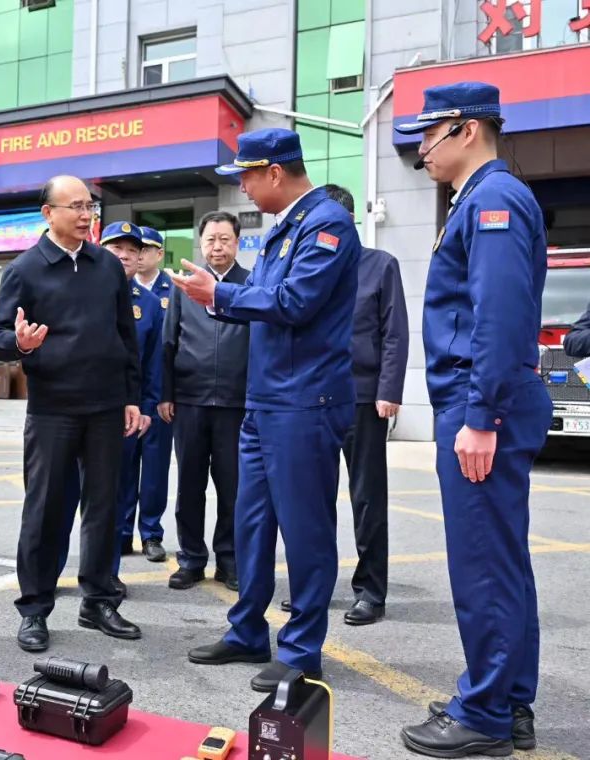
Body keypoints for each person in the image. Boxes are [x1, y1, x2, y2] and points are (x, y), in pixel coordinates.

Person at [395, 82, 552, 757]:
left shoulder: (493, 200)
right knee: (501, 558)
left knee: (483, 562)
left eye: (429, 135)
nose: (421, 150)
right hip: (484, 397)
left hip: (481, 401)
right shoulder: (483, 198)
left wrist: (481, 415)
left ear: (465, 129)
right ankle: (508, 699)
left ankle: (485, 712)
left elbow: (499, 314)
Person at [174, 128, 360, 693]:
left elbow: (294, 302)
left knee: (305, 530)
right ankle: (247, 631)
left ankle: (301, 649)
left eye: (248, 177)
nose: (245, 189)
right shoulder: (283, 229)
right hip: (264, 399)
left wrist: (219, 295)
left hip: (304, 400)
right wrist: (217, 297)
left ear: (275, 172)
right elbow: (261, 302)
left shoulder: (327, 224)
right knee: (251, 523)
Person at [0, 175, 142, 653]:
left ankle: (99, 600)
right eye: (74, 206)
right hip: (53, 408)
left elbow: (126, 335)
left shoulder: (107, 266)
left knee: (105, 507)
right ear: (48, 213)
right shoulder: (25, 269)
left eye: (89, 207)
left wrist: (132, 396)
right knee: (46, 510)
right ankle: (35, 608)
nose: (85, 215)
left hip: (106, 406)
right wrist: (20, 343)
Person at [279, 184, 409, 625]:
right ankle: (313, 588)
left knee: (367, 497)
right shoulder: (305, 266)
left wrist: (389, 390)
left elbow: (394, 332)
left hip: (363, 397)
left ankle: (370, 590)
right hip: (312, 396)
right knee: (312, 499)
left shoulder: (380, 265)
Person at [55, 221, 162, 596]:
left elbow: (152, 363)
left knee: (112, 498)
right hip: (72, 410)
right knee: (62, 494)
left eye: (133, 250)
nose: (125, 256)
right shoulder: (79, 286)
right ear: (101, 250)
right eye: (117, 248)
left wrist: (146, 407)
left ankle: (105, 573)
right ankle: (49, 571)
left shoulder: (150, 304)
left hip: (121, 415)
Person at [161, 211, 250, 592]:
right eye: (211, 239)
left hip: (236, 402)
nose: (217, 246)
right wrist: (166, 393)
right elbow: (168, 342)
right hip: (190, 400)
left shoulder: (252, 284)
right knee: (190, 485)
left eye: (225, 239)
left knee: (233, 487)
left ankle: (229, 561)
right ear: (201, 243)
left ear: (237, 243)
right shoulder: (184, 287)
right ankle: (191, 559)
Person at [124, 226, 174, 562]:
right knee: (122, 468)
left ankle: (151, 534)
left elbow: (169, 350)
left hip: (157, 397)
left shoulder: (173, 291)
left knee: (155, 469)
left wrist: (164, 396)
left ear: (158, 254)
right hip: (123, 398)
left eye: (144, 250)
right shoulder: (115, 290)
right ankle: (122, 531)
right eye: (133, 250)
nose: (138, 256)